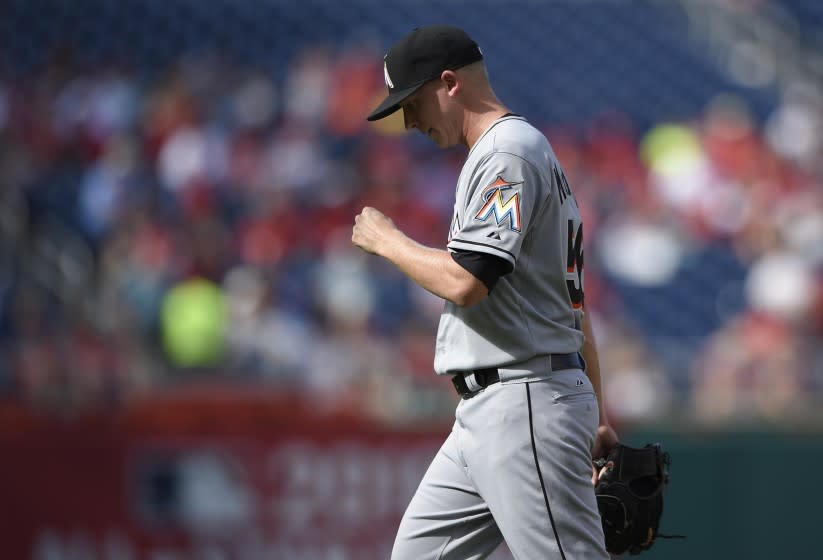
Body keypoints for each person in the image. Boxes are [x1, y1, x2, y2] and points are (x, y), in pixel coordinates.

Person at [352, 25, 619, 559]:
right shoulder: (510, 152)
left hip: (523, 400)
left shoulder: (507, 152)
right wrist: (600, 415)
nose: (409, 122)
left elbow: (466, 280)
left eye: (412, 102)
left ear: (449, 83)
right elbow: (573, 305)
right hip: (495, 406)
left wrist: (388, 241)